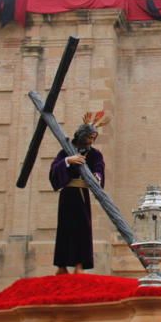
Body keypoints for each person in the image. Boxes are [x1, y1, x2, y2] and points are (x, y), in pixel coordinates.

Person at [49, 113, 108, 275]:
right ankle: (61, 266)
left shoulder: (94, 154)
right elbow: (55, 169)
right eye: (90, 137)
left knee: (83, 228)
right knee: (64, 228)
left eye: (94, 138)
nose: (91, 141)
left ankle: (79, 264)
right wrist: (68, 161)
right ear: (82, 135)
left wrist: (97, 176)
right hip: (67, 194)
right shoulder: (66, 151)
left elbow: (99, 167)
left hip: (82, 194)